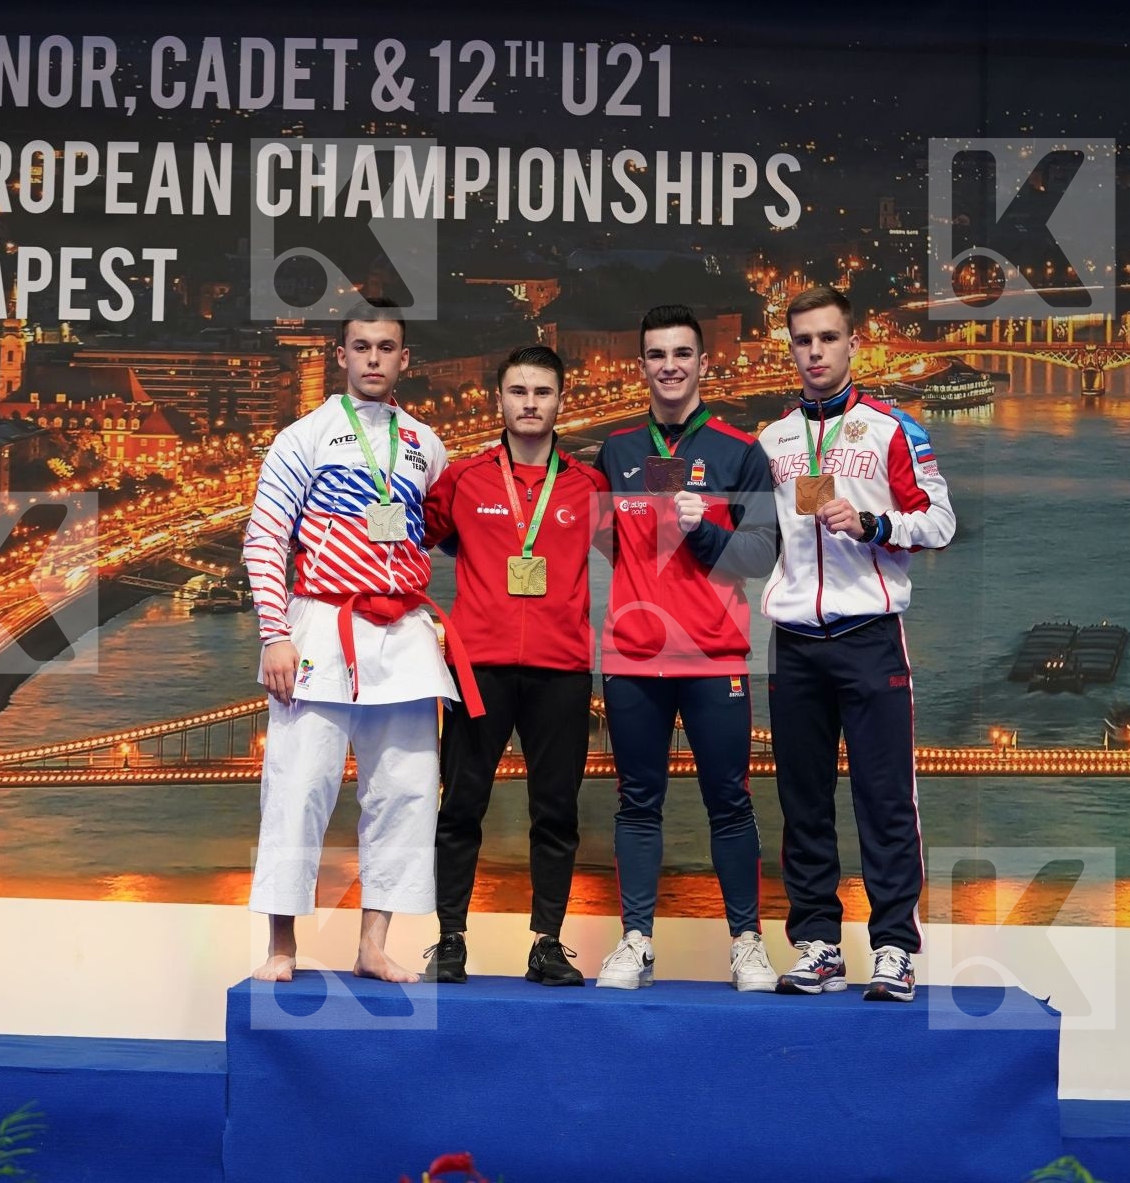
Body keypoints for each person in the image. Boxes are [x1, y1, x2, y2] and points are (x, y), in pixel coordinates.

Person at [243, 299, 480, 984]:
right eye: (361, 346)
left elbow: (436, 532)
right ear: (340, 356)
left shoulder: (426, 445)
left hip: (403, 634)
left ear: (405, 360)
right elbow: (265, 538)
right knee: (297, 789)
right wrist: (274, 635)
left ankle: (374, 944)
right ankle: (282, 946)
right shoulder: (303, 437)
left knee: (405, 794)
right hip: (321, 625)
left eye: (386, 347)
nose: (373, 358)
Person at [758, 285, 956, 1001]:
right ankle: (816, 943)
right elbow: (755, 540)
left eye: (827, 339)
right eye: (803, 340)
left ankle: (895, 948)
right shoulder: (773, 440)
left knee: (884, 797)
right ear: (793, 348)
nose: (815, 352)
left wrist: (875, 523)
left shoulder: (893, 429)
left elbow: (939, 523)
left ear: (853, 343)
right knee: (802, 798)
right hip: (795, 641)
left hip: (870, 635)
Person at [592, 304, 780, 992]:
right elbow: (606, 537)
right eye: (656, 355)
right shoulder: (615, 450)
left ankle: (747, 944)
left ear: (704, 363)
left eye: (681, 353)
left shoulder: (738, 450)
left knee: (728, 801)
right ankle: (636, 941)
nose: (669, 365)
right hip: (633, 657)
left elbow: (763, 551)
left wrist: (707, 535)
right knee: (637, 800)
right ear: (640, 365)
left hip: (714, 656)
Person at [419, 344, 610, 986]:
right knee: (461, 804)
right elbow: (407, 540)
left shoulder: (588, 486)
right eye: (519, 392)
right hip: (479, 670)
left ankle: (547, 943)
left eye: (542, 393)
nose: (530, 404)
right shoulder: (466, 480)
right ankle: (449, 940)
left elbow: (649, 550)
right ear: (498, 400)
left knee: (554, 810)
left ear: (561, 401)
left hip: (561, 669)